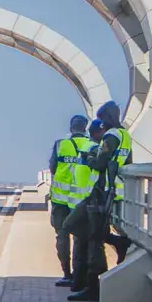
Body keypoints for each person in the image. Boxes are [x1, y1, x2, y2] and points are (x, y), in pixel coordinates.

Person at [65, 102, 133, 302]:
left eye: (103, 120)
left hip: (102, 192)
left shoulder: (111, 136)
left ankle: (95, 286)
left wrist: (89, 159)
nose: (101, 125)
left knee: (88, 235)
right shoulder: (125, 135)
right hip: (117, 190)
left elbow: (101, 162)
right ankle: (115, 242)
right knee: (93, 234)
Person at [48, 115, 92, 287]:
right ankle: (80, 275)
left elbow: (52, 167)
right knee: (81, 237)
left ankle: (66, 273)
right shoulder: (92, 146)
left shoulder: (61, 145)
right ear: (85, 128)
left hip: (60, 200)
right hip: (81, 200)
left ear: (71, 127)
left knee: (62, 235)